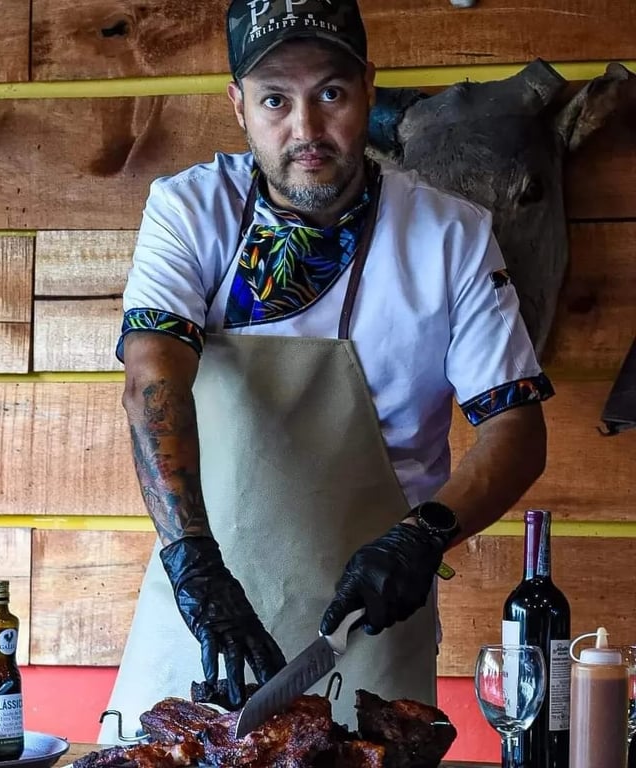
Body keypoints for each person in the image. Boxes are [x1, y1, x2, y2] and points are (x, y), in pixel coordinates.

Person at [100, 0, 554, 739]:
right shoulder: (189, 212)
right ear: (238, 105)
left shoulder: (451, 238)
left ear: (369, 90)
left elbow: (516, 430)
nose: (305, 130)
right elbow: (154, 378)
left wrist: (425, 537)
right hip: (208, 616)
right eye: (276, 99)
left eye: (331, 94)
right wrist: (192, 564)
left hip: (370, 622)